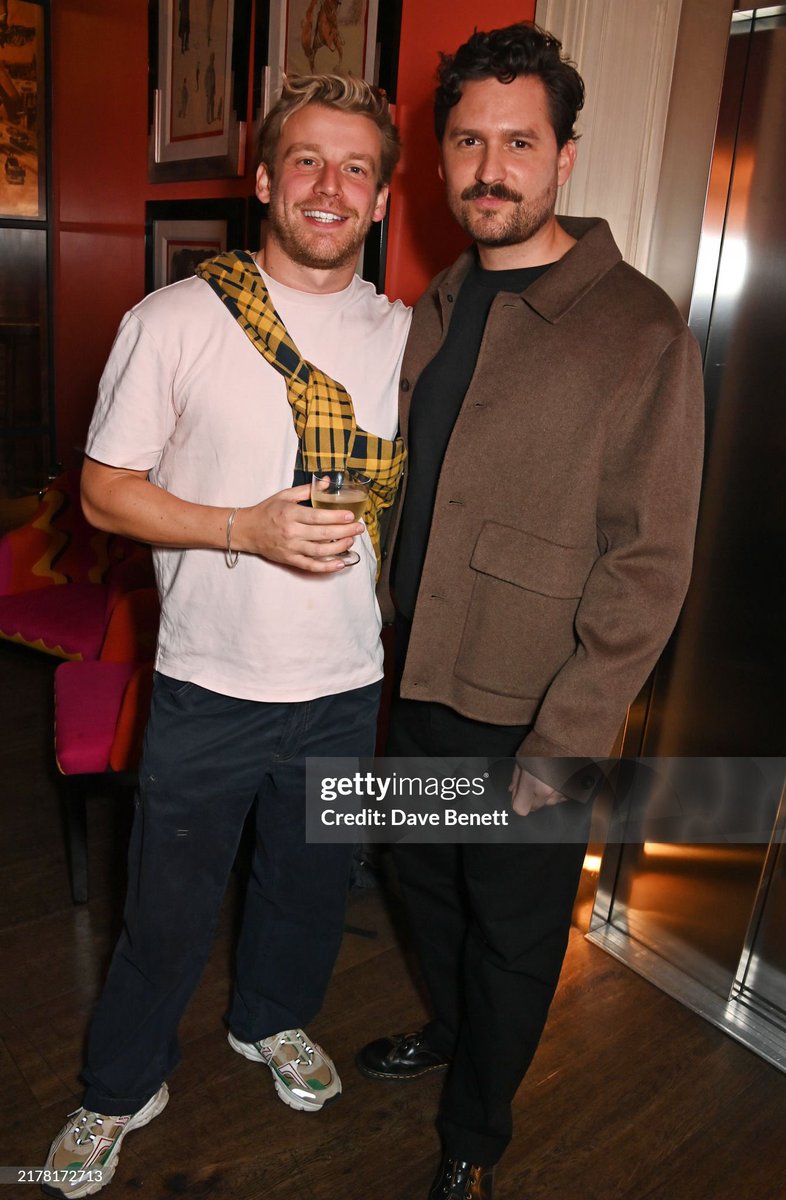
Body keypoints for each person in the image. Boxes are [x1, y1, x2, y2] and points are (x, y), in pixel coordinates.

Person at [42, 74, 410, 1199]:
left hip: (347, 678)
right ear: (262, 179)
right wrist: (240, 527)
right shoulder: (175, 319)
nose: (330, 187)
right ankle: (119, 1086)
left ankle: (272, 1022)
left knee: (308, 884)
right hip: (209, 678)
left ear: (385, 197)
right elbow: (104, 493)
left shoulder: (409, 337)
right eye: (306, 161)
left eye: (356, 167)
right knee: (165, 904)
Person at [356, 21, 705, 1200]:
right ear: (440, 154)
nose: (488, 167)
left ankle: (475, 1138)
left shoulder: (640, 331)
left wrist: (566, 746)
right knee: (421, 881)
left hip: (538, 710)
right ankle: (451, 1031)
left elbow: (650, 565)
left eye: (518, 140)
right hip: (424, 682)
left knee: (513, 933)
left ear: (564, 156)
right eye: (466, 140)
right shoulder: (439, 303)